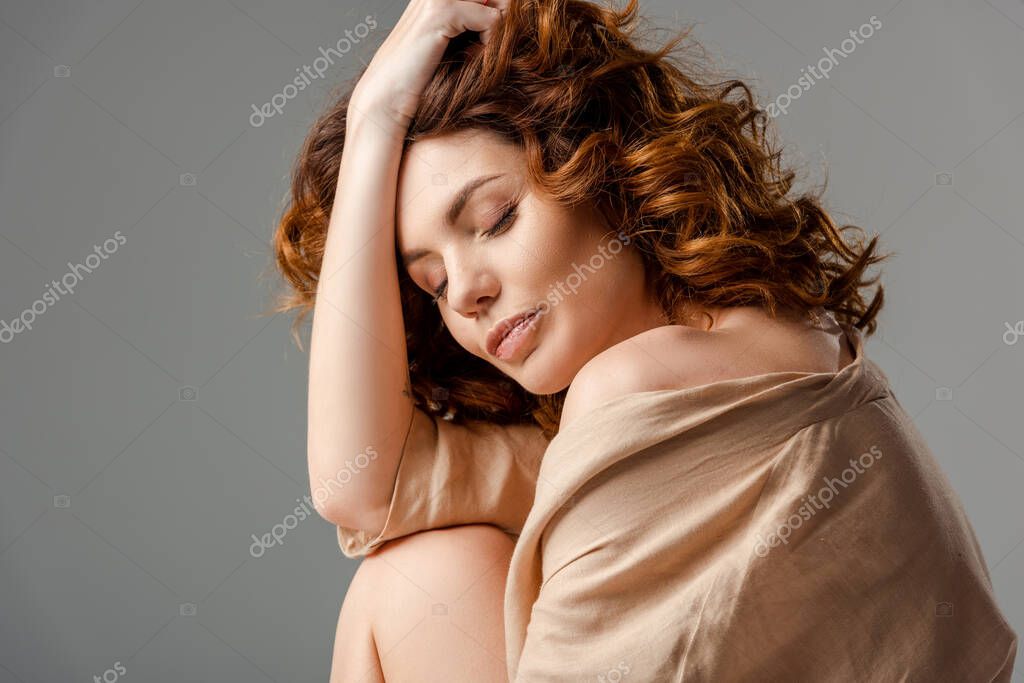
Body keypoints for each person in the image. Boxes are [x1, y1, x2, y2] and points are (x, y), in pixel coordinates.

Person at [271, 0, 1019, 680]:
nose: (465, 292)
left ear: (604, 165)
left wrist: (380, 116)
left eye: (496, 218)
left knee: (416, 582)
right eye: (432, 283)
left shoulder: (636, 387)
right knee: (428, 571)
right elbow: (363, 485)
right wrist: (376, 116)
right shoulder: (772, 342)